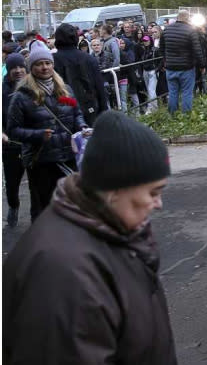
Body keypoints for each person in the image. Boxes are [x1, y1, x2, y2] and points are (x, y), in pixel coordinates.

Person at [3, 111, 177, 364]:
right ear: (115, 188)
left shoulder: (113, 230)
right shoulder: (63, 275)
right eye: (153, 192)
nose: (159, 203)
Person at [6, 47, 88, 221]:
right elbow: (13, 130)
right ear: (31, 68)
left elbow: (76, 113)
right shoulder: (22, 97)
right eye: (39, 64)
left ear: (52, 65)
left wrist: (82, 127)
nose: (44, 67)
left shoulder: (64, 90)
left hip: (68, 157)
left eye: (47, 63)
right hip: (41, 161)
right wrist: (37, 134)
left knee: (71, 205)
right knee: (44, 209)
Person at [2, 53, 38, 227]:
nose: (17, 71)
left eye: (20, 67)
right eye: (13, 68)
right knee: (12, 182)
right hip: (11, 145)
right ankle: (13, 206)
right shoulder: (2, 91)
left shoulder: (34, 87)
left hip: (34, 142)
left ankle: (36, 219)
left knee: (36, 183)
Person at [53, 23, 107, 126]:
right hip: (89, 107)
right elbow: (99, 86)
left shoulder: (51, 61)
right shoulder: (88, 58)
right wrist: (103, 110)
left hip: (63, 110)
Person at [160, 10, 205, 114]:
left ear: (177, 17)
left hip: (170, 68)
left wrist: (166, 60)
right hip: (187, 68)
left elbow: (161, 49)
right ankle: (186, 117)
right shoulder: (191, 30)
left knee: (172, 93)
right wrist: (202, 65)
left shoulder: (166, 29)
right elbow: (197, 50)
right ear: (187, 18)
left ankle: (172, 115)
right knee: (187, 93)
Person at [98, 25, 121, 109]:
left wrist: (113, 70)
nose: (99, 31)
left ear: (104, 31)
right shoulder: (103, 42)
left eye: (100, 30)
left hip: (111, 72)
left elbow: (116, 58)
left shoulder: (112, 42)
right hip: (106, 71)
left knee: (114, 94)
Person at [140, 35, 161, 113]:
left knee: (151, 90)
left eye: (147, 40)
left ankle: (153, 109)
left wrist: (157, 70)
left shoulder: (155, 50)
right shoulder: (144, 50)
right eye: (144, 41)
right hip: (145, 71)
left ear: (150, 41)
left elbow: (161, 59)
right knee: (149, 90)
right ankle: (152, 107)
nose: (145, 42)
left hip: (152, 71)